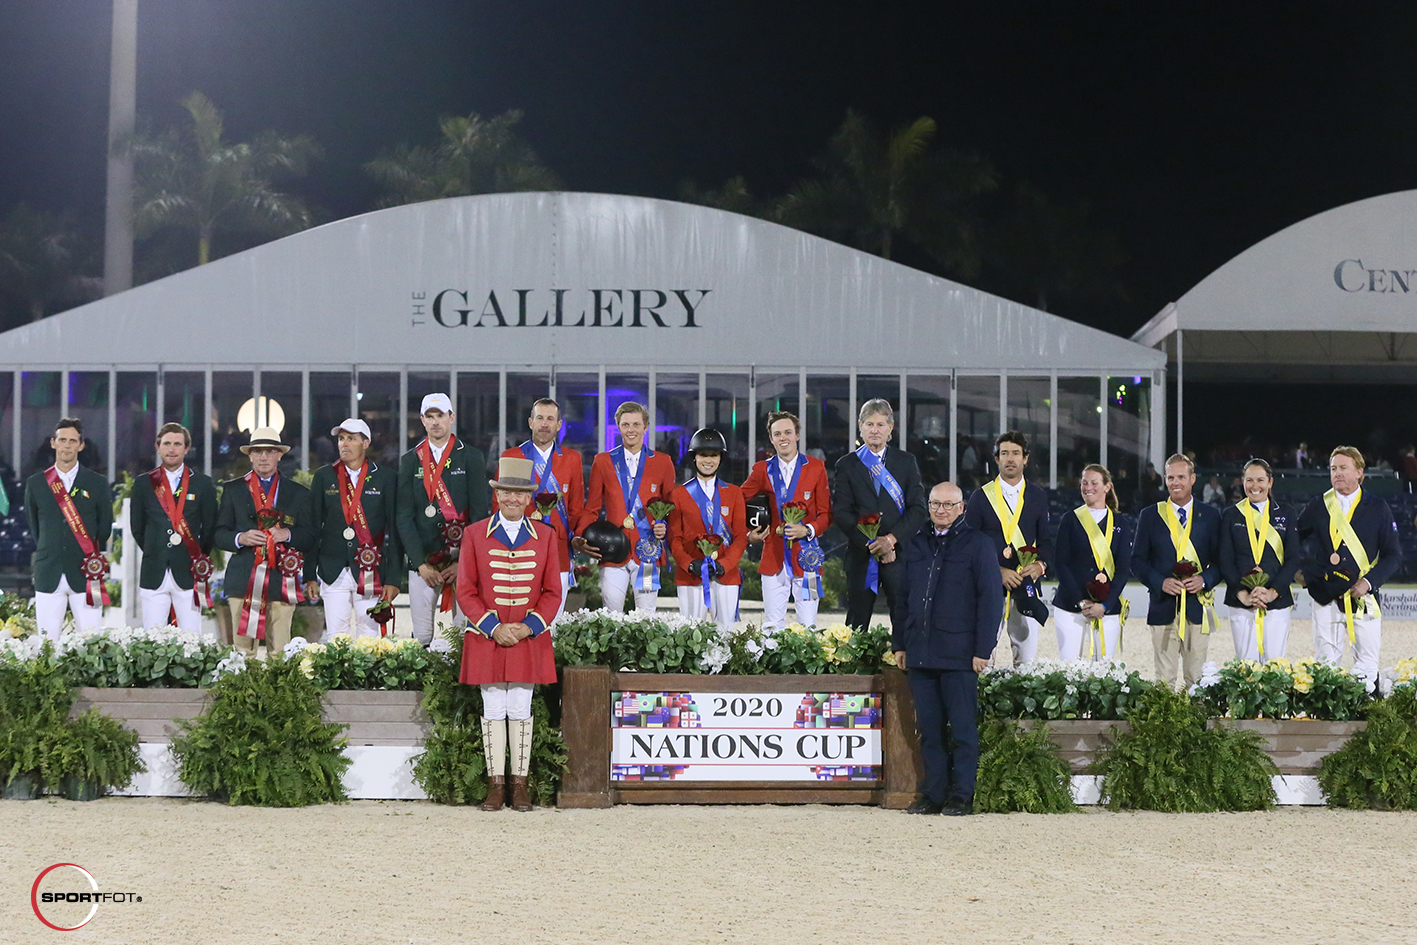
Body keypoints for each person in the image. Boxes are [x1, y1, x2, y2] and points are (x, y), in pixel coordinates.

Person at [891, 481, 1002, 816]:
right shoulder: (916, 542)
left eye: (948, 505)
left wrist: (983, 649)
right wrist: (900, 643)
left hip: (959, 654)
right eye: (935, 504)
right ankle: (933, 793)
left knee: (963, 730)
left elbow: (991, 600)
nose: (941, 510)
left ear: (961, 508)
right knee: (930, 730)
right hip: (921, 652)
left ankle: (961, 795)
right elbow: (903, 599)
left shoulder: (979, 544)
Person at [458, 456, 562, 812]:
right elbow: (466, 591)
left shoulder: (546, 536)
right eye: (506, 492)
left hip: (526, 637)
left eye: (520, 493)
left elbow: (552, 592)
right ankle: (495, 785)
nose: (513, 499)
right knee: (492, 707)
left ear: (529, 497)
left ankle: (519, 785)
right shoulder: (474, 534)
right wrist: (493, 627)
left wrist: (527, 627)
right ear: (497, 494)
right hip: (489, 636)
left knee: (520, 706)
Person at [1297, 446, 1402, 689]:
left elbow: (1393, 555)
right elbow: (1292, 541)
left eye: (1343, 468)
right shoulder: (1318, 505)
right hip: (1324, 596)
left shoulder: (1378, 507)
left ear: (1359, 472)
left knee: (1366, 664)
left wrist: (1368, 582)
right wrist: (1302, 573)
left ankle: (1365, 718)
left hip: (1363, 596)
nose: (1337, 473)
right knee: (1325, 664)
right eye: (1333, 469)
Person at [213, 427, 317, 653]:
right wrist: (241, 537)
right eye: (258, 451)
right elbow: (219, 534)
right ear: (249, 455)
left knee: (279, 651)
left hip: (282, 580)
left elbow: (309, 537)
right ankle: (243, 690)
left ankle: (279, 689)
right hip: (243, 579)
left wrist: (287, 534)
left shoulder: (298, 493)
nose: (263, 457)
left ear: (280, 455)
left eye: (270, 451)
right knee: (243, 653)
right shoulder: (233, 490)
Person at [396, 394, 487, 646]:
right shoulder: (409, 460)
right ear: (422, 420)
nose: (436, 422)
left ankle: (460, 684)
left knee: (463, 633)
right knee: (422, 635)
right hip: (423, 561)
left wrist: (463, 561)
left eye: (441, 416)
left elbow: (480, 515)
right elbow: (403, 516)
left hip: (462, 561)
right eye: (430, 416)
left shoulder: (471, 457)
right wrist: (420, 563)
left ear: (451, 418)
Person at [832, 399, 928, 630]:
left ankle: (903, 663)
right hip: (861, 556)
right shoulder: (846, 465)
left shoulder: (906, 462)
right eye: (869, 424)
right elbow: (841, 512)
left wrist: (890, 541)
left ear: (890, 428)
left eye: (880, 424)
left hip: (900, 554)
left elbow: (919, 509)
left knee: (904, 618)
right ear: (860, 427)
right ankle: (854, 664)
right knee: (857, 621)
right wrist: (872, 544)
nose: (875, 430)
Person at [1130, 453, 1223, 688]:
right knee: (1164, 679)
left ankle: (1196, 724)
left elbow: (1221, 562)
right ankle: (1163, 725)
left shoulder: (1211, 516)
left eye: (1181, 477)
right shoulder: (1150, 516)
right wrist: (1160, 582)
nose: (1175, 482)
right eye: (1170, 477)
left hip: (1197, 607)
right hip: (1163, 606)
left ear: (1192, 479)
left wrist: (1205, 579)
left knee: (1196, 678)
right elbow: (1137, 561)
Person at [304, 419, 400, 638]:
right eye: (340, 439)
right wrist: (309, 573)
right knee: (337, 639)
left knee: (369, 640)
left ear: (366, 443)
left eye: (351, 439)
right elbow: (313, 527)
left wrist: (393, 578)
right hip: (332, 569)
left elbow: (394, 530)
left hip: (370, 570)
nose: (344, 444)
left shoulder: (386, 478)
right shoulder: (324, 476)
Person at [964, 431, 1052, 665]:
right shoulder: (980, 498)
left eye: (1015, 453)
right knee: (983, 659)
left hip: (1026, 585)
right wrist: (997, 572)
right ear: (996, 460)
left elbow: (1047, 542)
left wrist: (1040, 566)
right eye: (1005, 454)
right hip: (987, 587)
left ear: (1026, 458)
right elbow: (968, 545)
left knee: (1026, 661)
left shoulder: (1038, 497)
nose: (1010, 459)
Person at [580, 402, 677, 613]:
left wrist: (665, 528)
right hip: (612, 550)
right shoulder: (603, 461)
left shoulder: (663, 462)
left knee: (647, 615)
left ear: (646, 427)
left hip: (648, 552)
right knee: (611, 614)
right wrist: (581, 537)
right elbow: (592, 508)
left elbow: (672, 508)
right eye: (625, 425)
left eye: (636, 424)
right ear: (618, 426)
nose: (630, 430)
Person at [494, 397, 584, 622]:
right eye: (540, 418)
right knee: (518, 618)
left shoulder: (572, 459)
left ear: (559, 424)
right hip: (520, 549)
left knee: (552, 621)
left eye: (550, 419)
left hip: (559, 549)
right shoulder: (512, 456)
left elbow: (576, 508)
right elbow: (499, 505)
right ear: (530, 422)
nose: (545, 424)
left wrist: (578, 537)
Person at [741, 411, 831, 632]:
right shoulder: (762, 469)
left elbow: (826, 514)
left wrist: (807, 529)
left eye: (788, 432)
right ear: (771, 439)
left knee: (809, 625)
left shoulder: (816, 467)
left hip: (808, 557)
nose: (783, 438)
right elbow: (737, 500)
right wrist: (748, 533)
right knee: (772, 625)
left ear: (797, 435)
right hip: (773, 556)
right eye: (777, 434)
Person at [24, 418, 112, 641]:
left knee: (92, 642)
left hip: (87, 572)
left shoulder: (98, 483)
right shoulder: (36, 484)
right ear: (53, 443)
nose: (67, 445)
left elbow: (104, 527)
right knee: (47, 643)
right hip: (48, 570)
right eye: (62, 440)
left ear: (81, 445)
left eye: (73, 441)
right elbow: (35, 526)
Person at [128, 422, 219, 632]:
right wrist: (156, 548)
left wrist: (198, 556)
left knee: (191, 638)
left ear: (186, 449)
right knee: (152, 639)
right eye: (167, 443)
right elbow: (137, 527)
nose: (171, 449)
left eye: (177, 444)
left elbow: (210, 526)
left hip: (189, 569)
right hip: (154, 569)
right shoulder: (143, 484)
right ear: (157, 446)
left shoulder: (202, 484)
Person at [1219, 459, 1301, 662]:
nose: (1255, 486)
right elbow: (1225, 560)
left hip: (1276, 599)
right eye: (1249, 480)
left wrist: (1273, 592)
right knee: (1246, 666)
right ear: (1242, 482)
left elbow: (1293, 559)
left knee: (1275, 665)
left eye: (1260, 480)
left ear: (1270, 482)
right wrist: (1243, 594)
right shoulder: (1231, 515)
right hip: (1241, 601)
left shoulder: (1287, 513)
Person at [669, 429, 748, 630]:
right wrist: (689, 564)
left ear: (721, 458)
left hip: (726, 575)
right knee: (689, 635)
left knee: (725, 634)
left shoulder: (734, 493)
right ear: (694, 457)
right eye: (703, 454)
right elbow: (674, 538)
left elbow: (740, 537)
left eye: (714, 455)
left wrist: (725, 564)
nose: (708, 460)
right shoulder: (678, 494)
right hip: (691, 575)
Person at [1051, 464, 1130, 662]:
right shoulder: (1070, 519)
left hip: (1107, 608)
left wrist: (1105, 604)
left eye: (1094, 483)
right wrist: (1081, 600)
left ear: (1107, 487)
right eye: (1084, 483)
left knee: (1103, 671)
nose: (1088, 487)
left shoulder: (1121, 523)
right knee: (1069, 669)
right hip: (1070, 604)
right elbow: (1061, 563)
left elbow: (1122, 569)